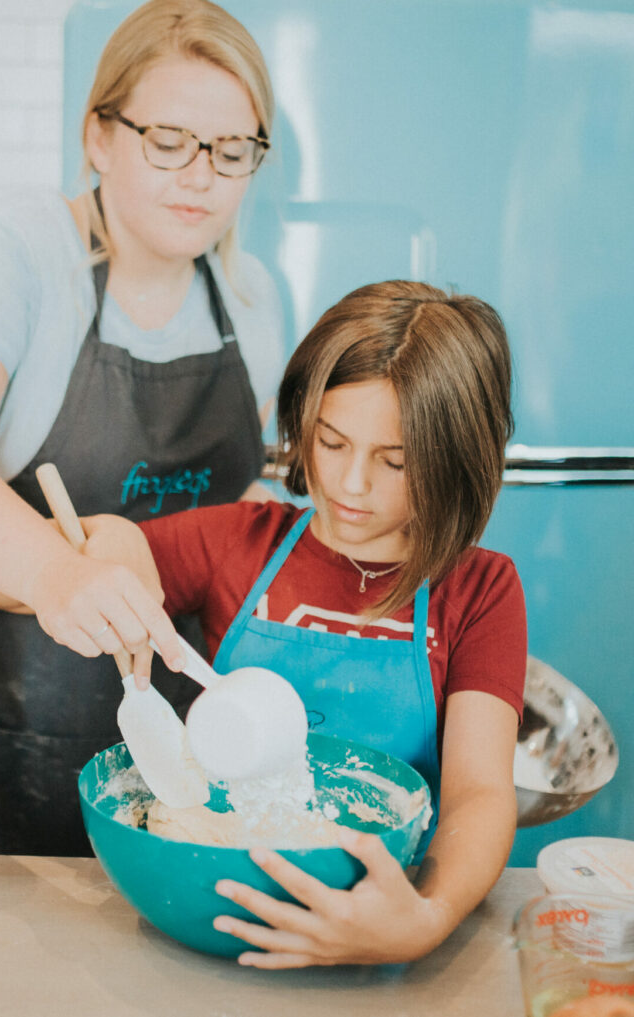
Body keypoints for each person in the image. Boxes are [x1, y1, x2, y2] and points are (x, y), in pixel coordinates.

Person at [0, 0, 285, 856]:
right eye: (168, 140)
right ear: (99, 137)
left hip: (165, 731)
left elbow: (240, 504)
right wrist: (56, 572)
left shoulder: (254, 298)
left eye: (232, 151)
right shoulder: (20, 250)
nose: (201, 175)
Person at [75, 280, 527, 965]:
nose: (350, 484)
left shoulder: (481, 590)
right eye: (332, 441)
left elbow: (480, 795)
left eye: (395, 461)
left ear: (454, 459)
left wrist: (425, 917)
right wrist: (86, 558)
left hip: (380, 917)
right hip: (215, 902)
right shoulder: (238, 541)